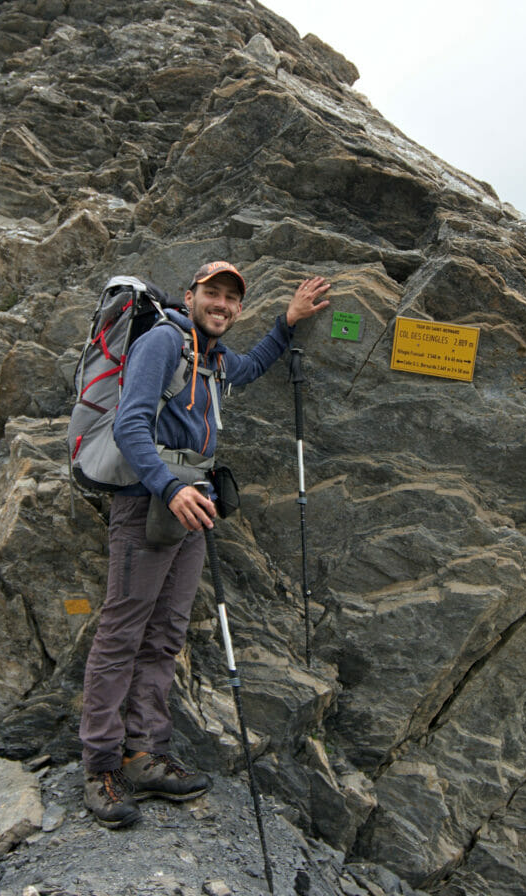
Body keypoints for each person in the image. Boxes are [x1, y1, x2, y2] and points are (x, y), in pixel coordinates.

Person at [79, 260, 331, 828]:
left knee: (166, 632)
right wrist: (168, 488)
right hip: (149, 502)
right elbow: (130, 425)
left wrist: (285, 322)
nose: (221, 304)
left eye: (230, 299)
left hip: (193, 503)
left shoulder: (212, 357)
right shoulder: (163, 342)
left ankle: (144, 753)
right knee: (122, 632)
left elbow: (251, 367)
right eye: (212, 294)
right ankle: (99, 766)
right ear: (190, 295)